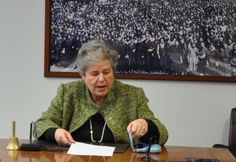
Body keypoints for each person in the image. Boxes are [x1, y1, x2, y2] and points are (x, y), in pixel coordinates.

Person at [34, 40, 168, 147]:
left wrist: (145, 124)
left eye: (106, 72)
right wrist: (56, 132)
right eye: (94, 74)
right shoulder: (68, 92)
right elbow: (41, 124)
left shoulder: (132, 95)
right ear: (82, 75)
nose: (101, 79)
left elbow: (162, 133)